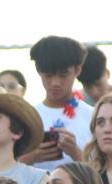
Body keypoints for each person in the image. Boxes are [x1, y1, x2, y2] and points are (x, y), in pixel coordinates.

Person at [25, 36, 94, 168]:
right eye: (48, 75)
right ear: (38, 71)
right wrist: (32, 157)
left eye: (63, 75)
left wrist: (75, 153)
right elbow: (8, 170)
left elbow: (104, 176)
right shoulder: (27, 117)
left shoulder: (94, 117)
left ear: (77, 70)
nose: (55, 83)